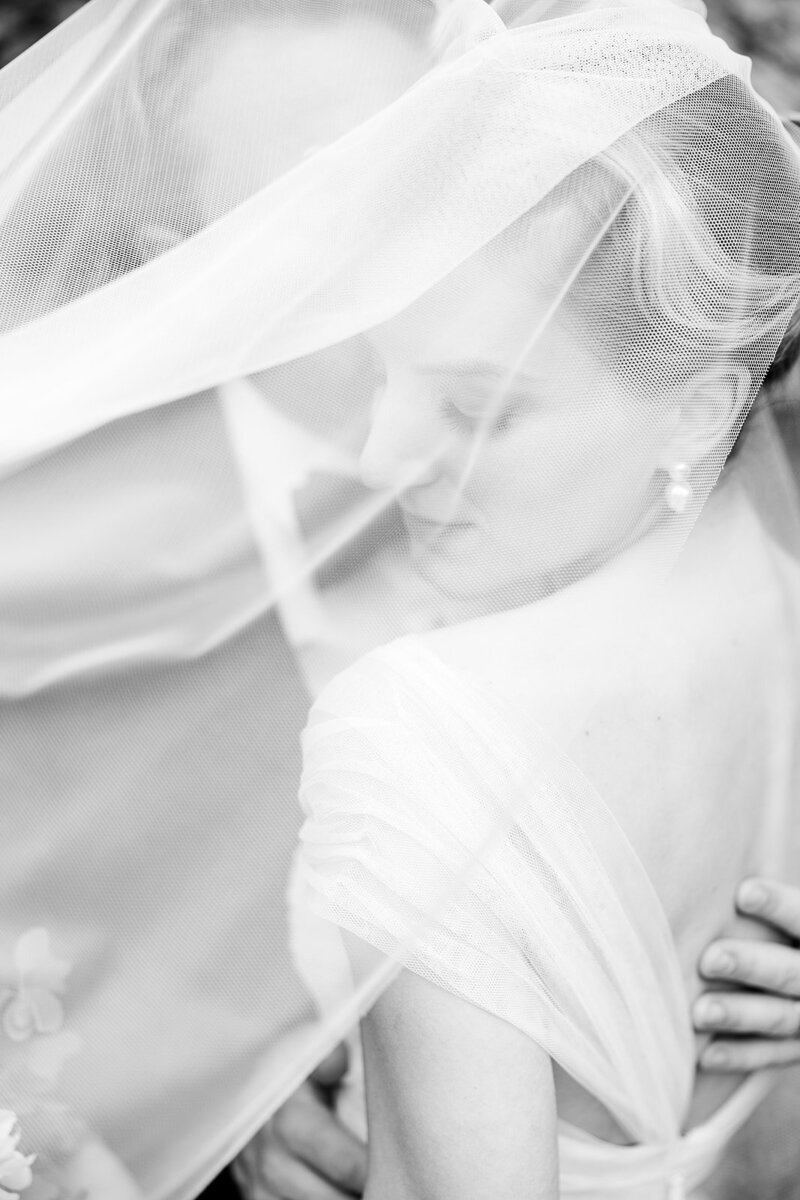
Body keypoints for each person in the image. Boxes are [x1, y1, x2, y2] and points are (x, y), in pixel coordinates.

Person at [1, 1, 800, 1198]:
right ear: (194, 247)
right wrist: (231, 1106)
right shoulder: (47, 548)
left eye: (436, 135)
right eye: (333, 176)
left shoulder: (637, 398)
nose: (456, 200)